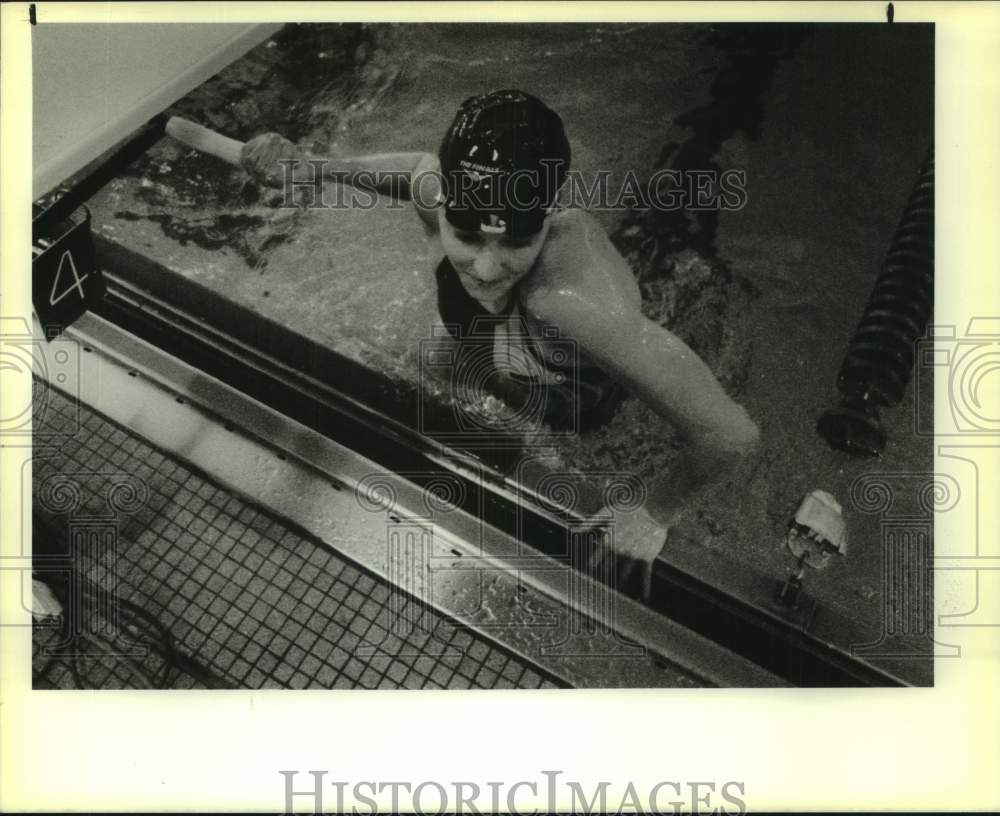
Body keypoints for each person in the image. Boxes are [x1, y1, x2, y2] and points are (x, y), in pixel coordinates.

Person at [240, 89, 760, 600]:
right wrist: (314, 166)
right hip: (508, 349)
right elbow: (418, 168)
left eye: (516, 241)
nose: (486, 269)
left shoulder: (572, 305)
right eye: (465, 235)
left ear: (549, 214)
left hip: (576, 389)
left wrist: (652, 513)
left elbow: (730, 435)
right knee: (436, 358)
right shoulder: (441, 193)